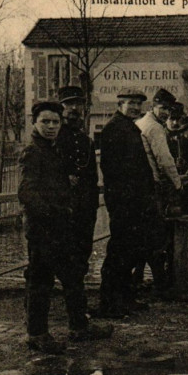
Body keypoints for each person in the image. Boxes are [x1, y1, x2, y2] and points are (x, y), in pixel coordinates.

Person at [18, 101, 113, 354]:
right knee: (41, 282)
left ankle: (79, 327)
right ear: (34, 123)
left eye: (55, 122)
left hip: (59, 228)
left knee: (72, 277)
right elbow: (27, 193)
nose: (51, 127)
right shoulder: (33, 152)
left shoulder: (52, 149)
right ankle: (37, 334)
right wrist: (52, 214)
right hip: (43, 230)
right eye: (45, 122)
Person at [99, 89, 157, 317]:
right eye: (131, 103)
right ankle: (110, 303)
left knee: (129, 252)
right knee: (119, 253)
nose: (135, 108)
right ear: (120, 104)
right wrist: (124, 200)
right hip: (124, 202)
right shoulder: (115, 129)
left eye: (139, 104)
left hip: (134, 202)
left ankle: (125, 298)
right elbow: (113, 170)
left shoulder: (129, 127)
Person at [136, 88, 181, 293]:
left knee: (143, 235)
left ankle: (137, 279)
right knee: (156, 236)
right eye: (162, 108)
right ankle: (161, 285)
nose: (165, 113)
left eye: (168, 109)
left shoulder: (141, 123)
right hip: (152, 186)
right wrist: (178, 184)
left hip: (141, 185)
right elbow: (164, 160)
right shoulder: (154, 128)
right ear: (153, 106)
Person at [55, 86, 99, 285]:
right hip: (62, 208)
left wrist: (91, 207)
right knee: (62, 255)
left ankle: (77, 302)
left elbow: (91, 177)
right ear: (61, 107)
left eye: (78, 103)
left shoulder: (85, 140)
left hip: (84, 208)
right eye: (69, 104)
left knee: (82, 254)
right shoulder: (55, 137)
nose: (74, 108)